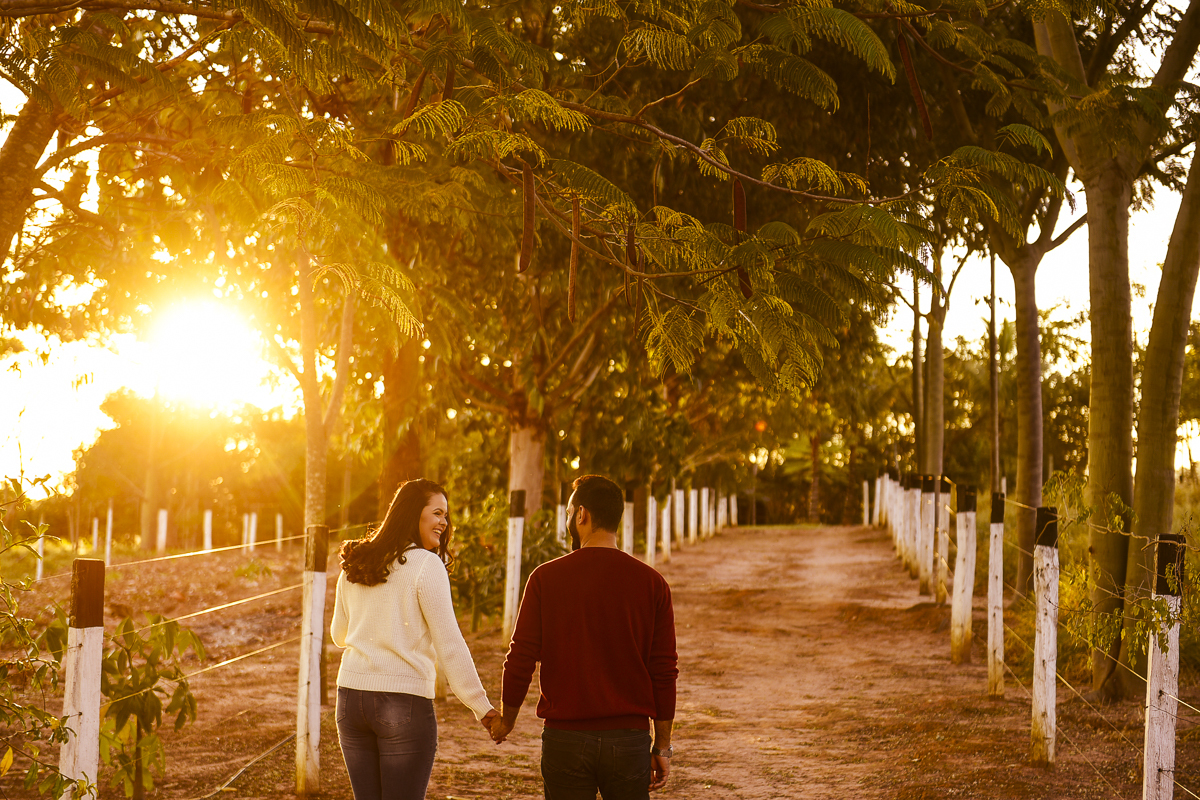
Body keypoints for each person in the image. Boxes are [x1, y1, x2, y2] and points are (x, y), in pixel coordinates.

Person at [491, 474, 678, 799]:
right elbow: (663, 671)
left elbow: (520, 656)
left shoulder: (544, 579)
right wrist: (662, 745)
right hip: (629, 740)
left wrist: (507, 721)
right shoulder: (652, 584)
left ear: (581, 514)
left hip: (566, 740)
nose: (567, 520)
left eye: (567, 513)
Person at [330, 478, 498, 800]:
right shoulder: (425, 565)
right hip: (401, 703)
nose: (444, 523)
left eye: (446, 516)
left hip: (351, 700)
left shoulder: (356, 562)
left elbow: (340, 635)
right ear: (412, 514)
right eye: (437, 513)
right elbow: (449, 645)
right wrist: (483, 708)